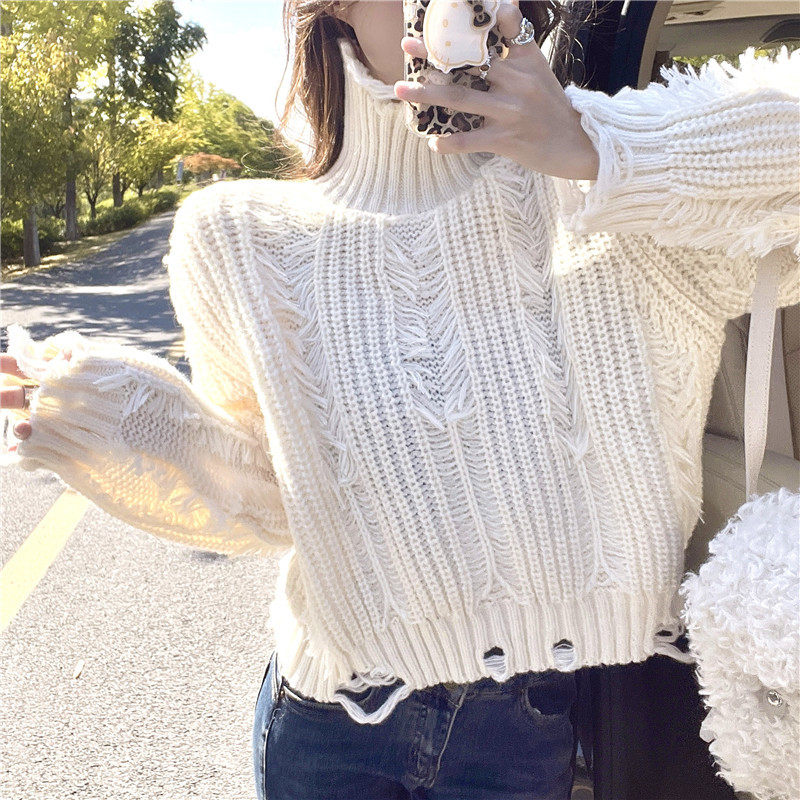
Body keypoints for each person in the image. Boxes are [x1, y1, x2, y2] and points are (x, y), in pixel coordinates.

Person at [2, 1, 798, 798]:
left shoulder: (611, 194)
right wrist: (132, 422)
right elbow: (283, 501)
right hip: (327, 722)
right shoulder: (236, 236)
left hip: (524, 728)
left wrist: (595, 143)